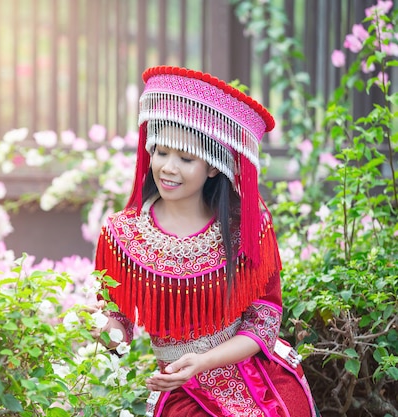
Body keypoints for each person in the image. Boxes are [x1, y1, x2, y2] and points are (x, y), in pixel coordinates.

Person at [93, 66, 318, 416]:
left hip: (258, 375)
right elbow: (118, 326)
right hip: (183, 391)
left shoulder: (247, 230)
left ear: (213, 166)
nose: (168, 167)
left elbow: (264, 321)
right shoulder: (122, 235)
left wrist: (203, 361)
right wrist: (102, 331)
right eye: (161, 152)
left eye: (185, 158)